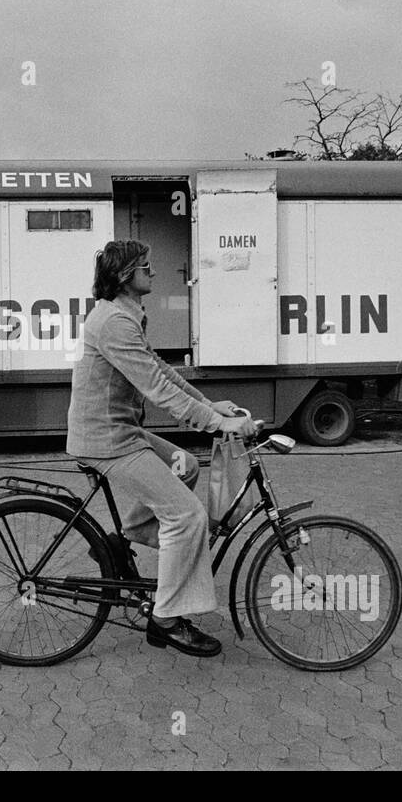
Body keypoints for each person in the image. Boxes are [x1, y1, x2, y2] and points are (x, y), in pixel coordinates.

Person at [65, 240, 262, 658]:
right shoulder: (114, 323)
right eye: (146, 266)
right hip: (106, 440)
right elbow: (156, 390)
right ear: (125, 276)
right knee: (187, 515)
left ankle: (131, 535)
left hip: (121, 431)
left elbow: (160, 370)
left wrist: (211, 405)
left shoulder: (126, 316)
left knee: (185, 465)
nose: (153, 272)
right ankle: (165, 621)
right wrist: (218, 423)